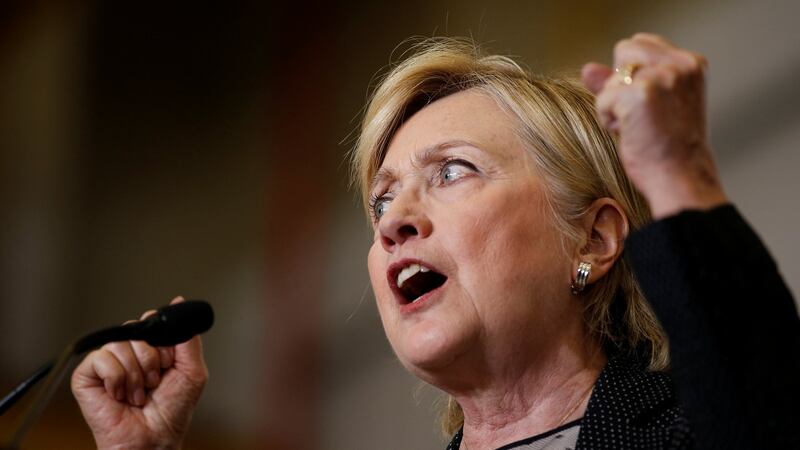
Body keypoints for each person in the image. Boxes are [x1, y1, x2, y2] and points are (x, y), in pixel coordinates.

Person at [71, 33, 799, 449]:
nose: (392, 221)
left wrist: (678, 174)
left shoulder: (693, 432)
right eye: (382, 199)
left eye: (452, 171)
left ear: (596, 237)